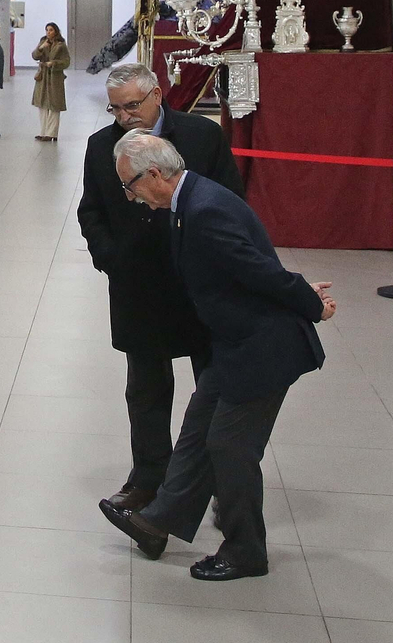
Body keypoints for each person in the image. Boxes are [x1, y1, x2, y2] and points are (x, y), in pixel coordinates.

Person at [99, 132, 335, 582]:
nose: (130, 198)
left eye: (130, 187)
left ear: (153, 175)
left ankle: (246, 550)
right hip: (232, 342)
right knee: (197, 430)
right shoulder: (190, 202)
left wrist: (309, 302)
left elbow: (259, 271)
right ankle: (155, 523)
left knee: (230, 447)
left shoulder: (203, 210)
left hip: (262, 347)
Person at [77, 63, 243, 516]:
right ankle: (148, 479)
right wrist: (111, 259)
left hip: (201, 288)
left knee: (213, 387)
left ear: (157, 95)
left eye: (133, 105)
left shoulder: (200, 137)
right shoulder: (101, 146)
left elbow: (231, 203)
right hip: (139, 286)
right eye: (116, 108)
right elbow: (90, 211)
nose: (126, 116)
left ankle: (209, 481)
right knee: (146, 390)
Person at [31, 22, 70, 141]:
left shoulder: (61, 45)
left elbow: (66, 61)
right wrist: (41, 48)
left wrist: (54, 63)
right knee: (42, 105)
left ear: (56, 31)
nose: (48, 32)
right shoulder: (43, 42)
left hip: (54, 78)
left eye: (51, 30)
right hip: (42, 78)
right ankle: (43, 132)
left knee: (54, 106)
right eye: (47, 30)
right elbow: (34, 56)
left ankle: (51, 133)